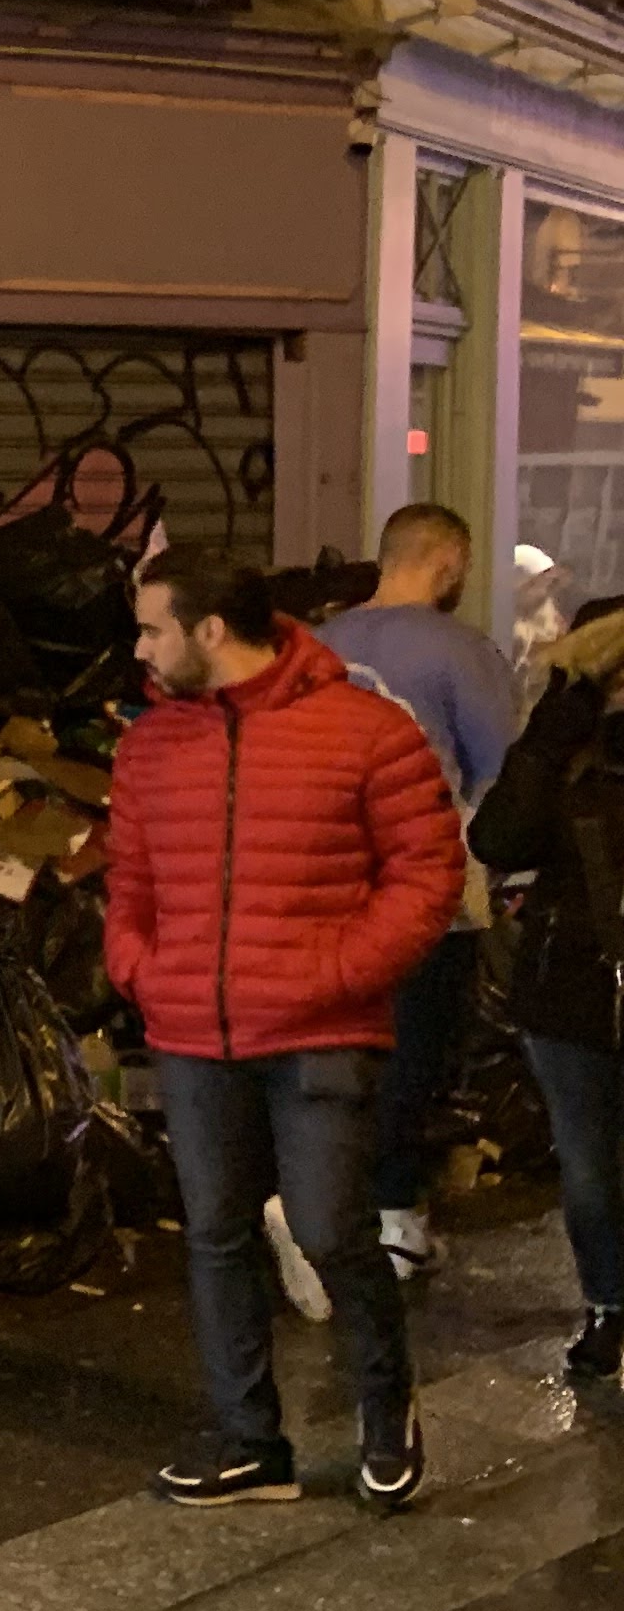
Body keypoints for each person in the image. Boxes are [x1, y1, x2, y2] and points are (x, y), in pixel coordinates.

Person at [105, 542, 463, 1512]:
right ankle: (250, 1443)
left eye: (152, 629)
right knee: (216, 1235)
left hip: (320, 1033)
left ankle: (386, 1409)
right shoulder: (150, 746)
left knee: (331, 1228)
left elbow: (430, 873)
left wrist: (336, 974)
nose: (140, 648)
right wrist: (139, 967)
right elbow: (129, 881)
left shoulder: (366, 731)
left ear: (210, 630)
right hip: (191, 1033)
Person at [316, 502, 522, 1280]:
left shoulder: (318, 644)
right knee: (416, 1049)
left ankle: (323, 1207)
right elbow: (501, 771)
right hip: (427, 884)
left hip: (326, 880)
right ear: (449, 563)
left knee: (334, 1050)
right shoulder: (460, 650)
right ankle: (395, 1215)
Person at [461, 591, 624, 1384]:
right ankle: (608, 1307)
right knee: (589, 1167)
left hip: (572, 982)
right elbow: (498, 838)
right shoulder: (561, 749)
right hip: (571, 989)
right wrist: (555, 733)